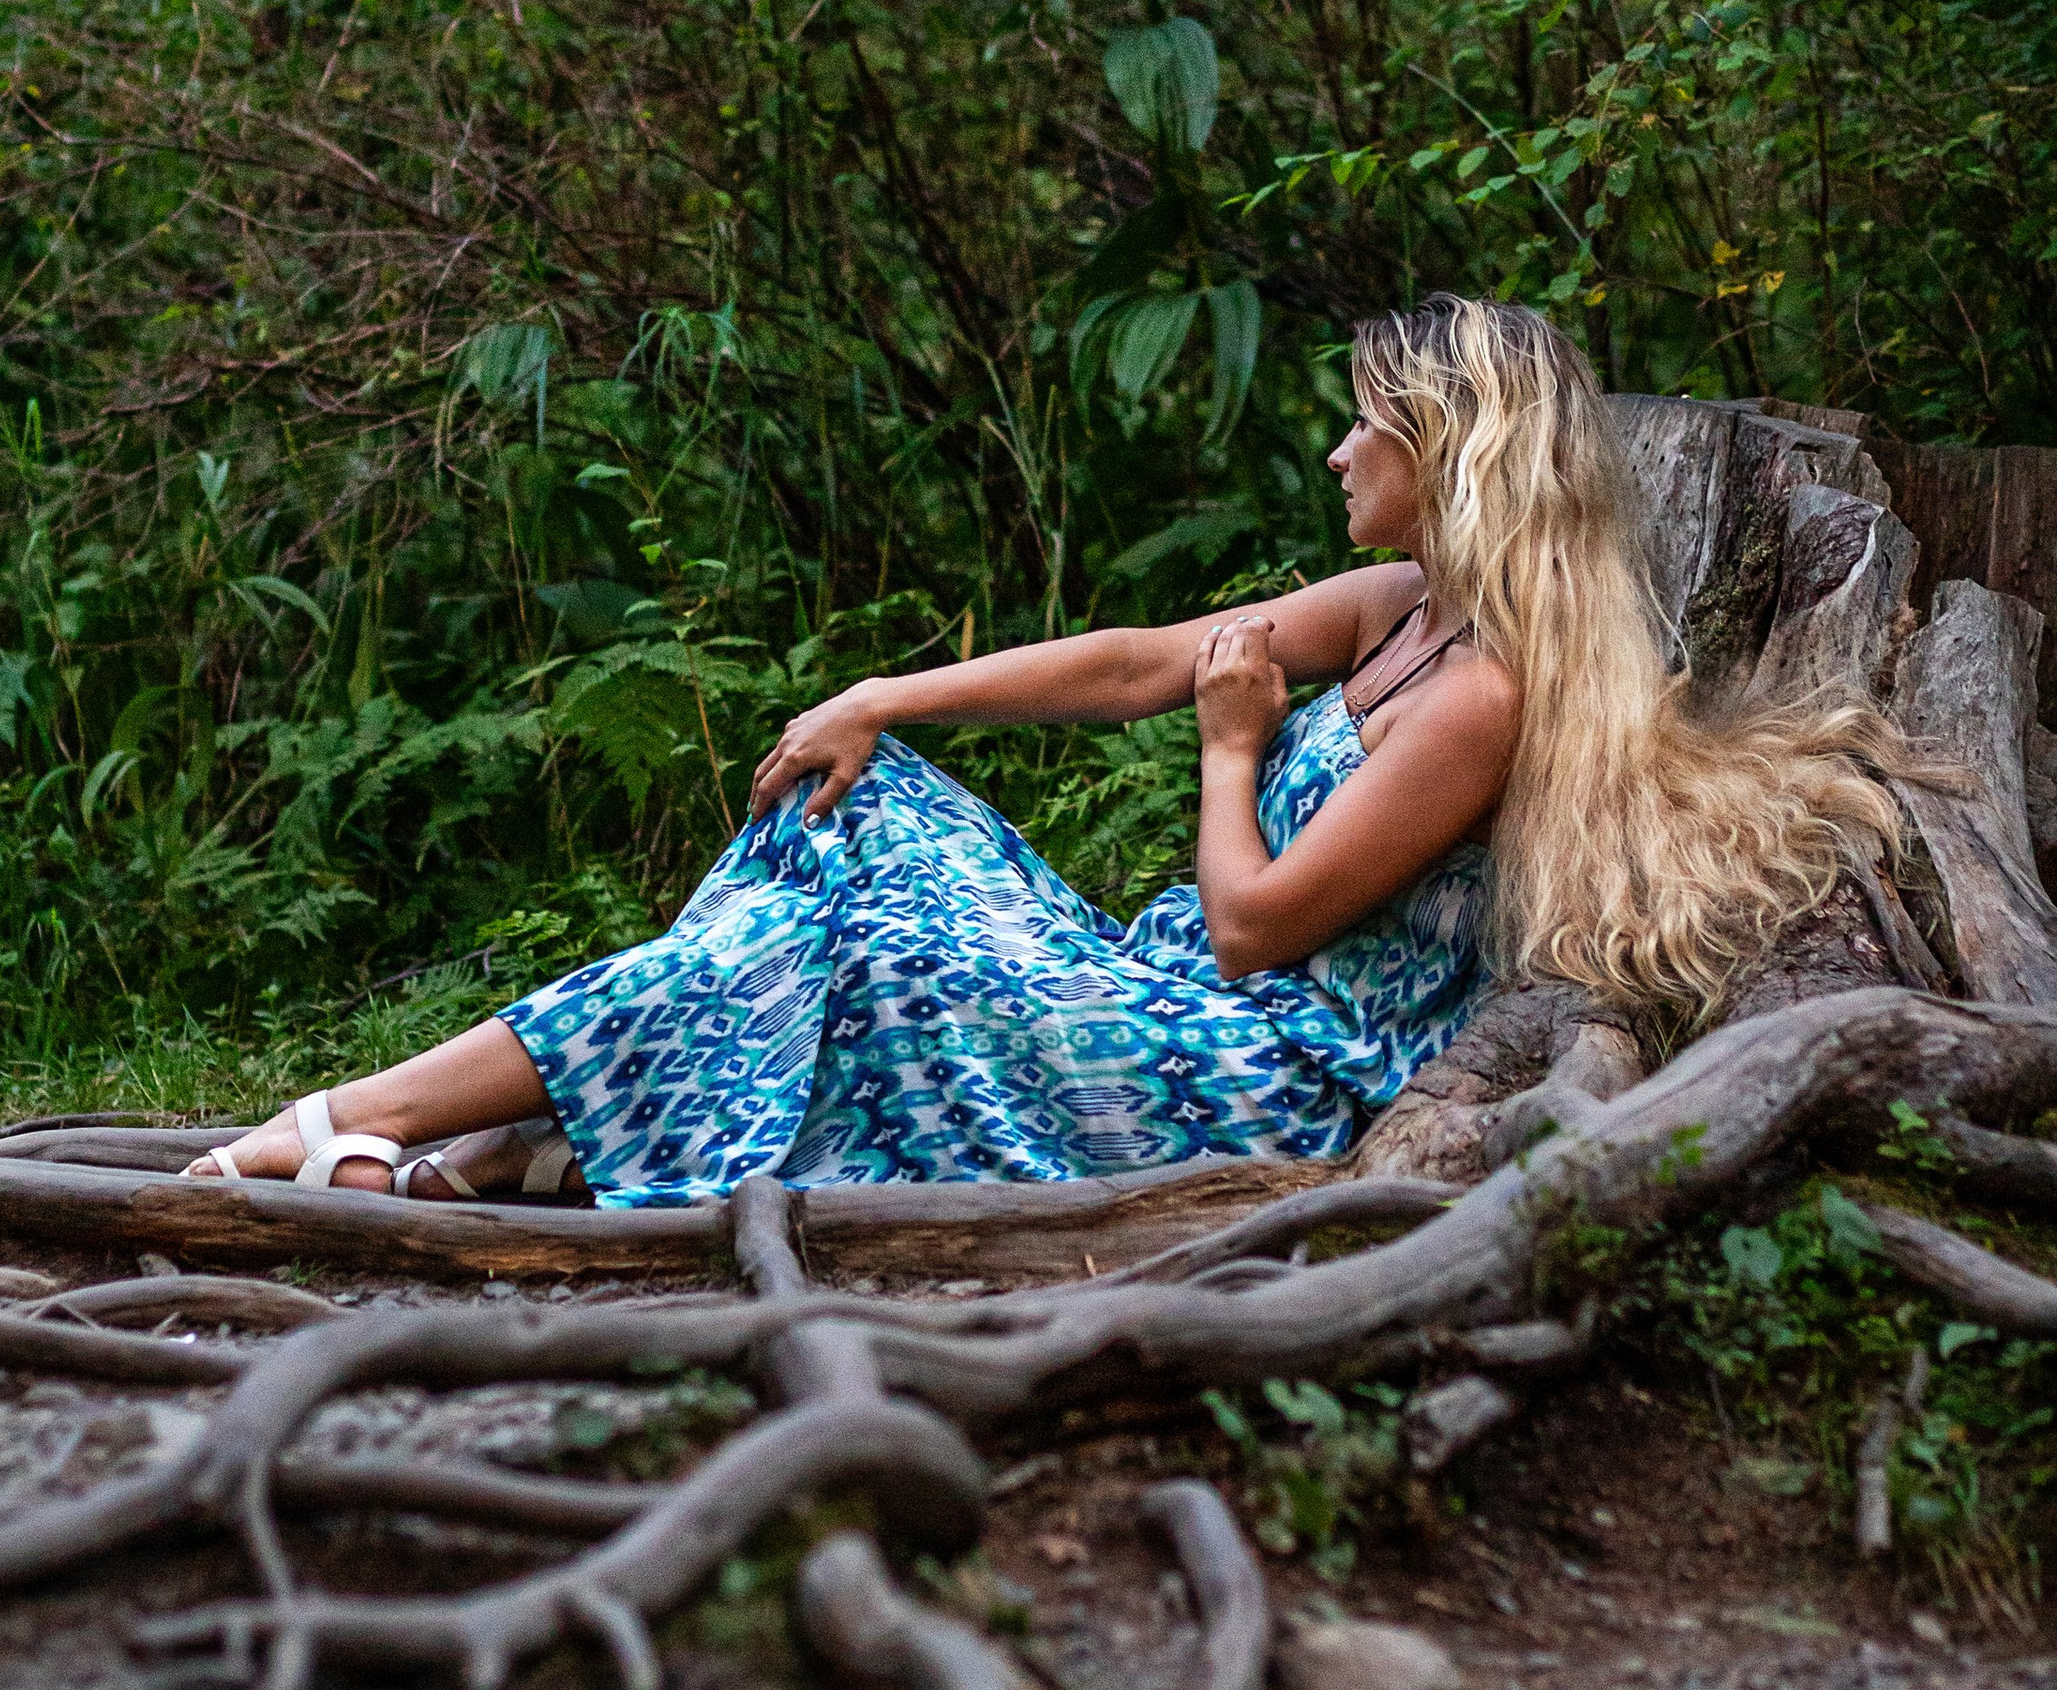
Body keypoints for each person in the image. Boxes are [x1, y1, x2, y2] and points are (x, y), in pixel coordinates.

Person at [190, 294, 1904, 1205]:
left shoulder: (1486, 696)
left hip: (1259, 1071)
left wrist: (1237, 752)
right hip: (1166, 984)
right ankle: (487, 1146)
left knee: (841, 934)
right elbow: (1149, 658)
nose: (1331, 452)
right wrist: (888, 700)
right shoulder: (1404, 604)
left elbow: (1260, 927)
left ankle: (358, 1119)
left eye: (1363, 427)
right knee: (859, 817)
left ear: (1448, 454)